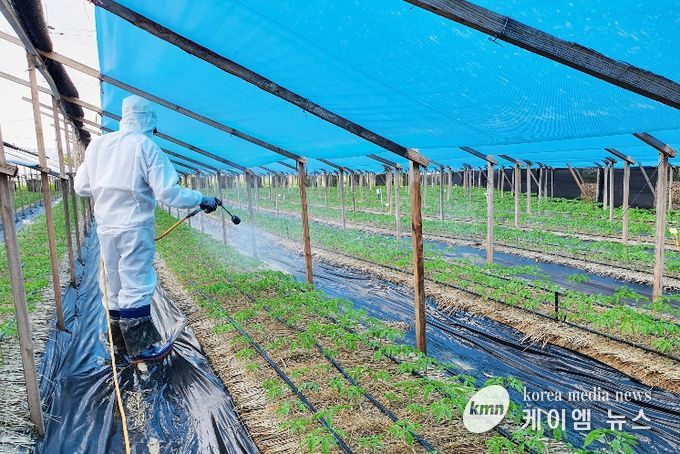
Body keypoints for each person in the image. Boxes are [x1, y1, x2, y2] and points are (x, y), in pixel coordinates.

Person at [75, 95, 219, 362]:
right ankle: (140, 348)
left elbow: (81, 186)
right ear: (149, 121)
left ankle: (118, 342)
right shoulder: (145, 146)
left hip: (106, 227)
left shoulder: (98, 145)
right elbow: (168, 193)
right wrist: (202, 199)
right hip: (134, 227)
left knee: (113, 283)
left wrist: (107, 185)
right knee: (136, 282)